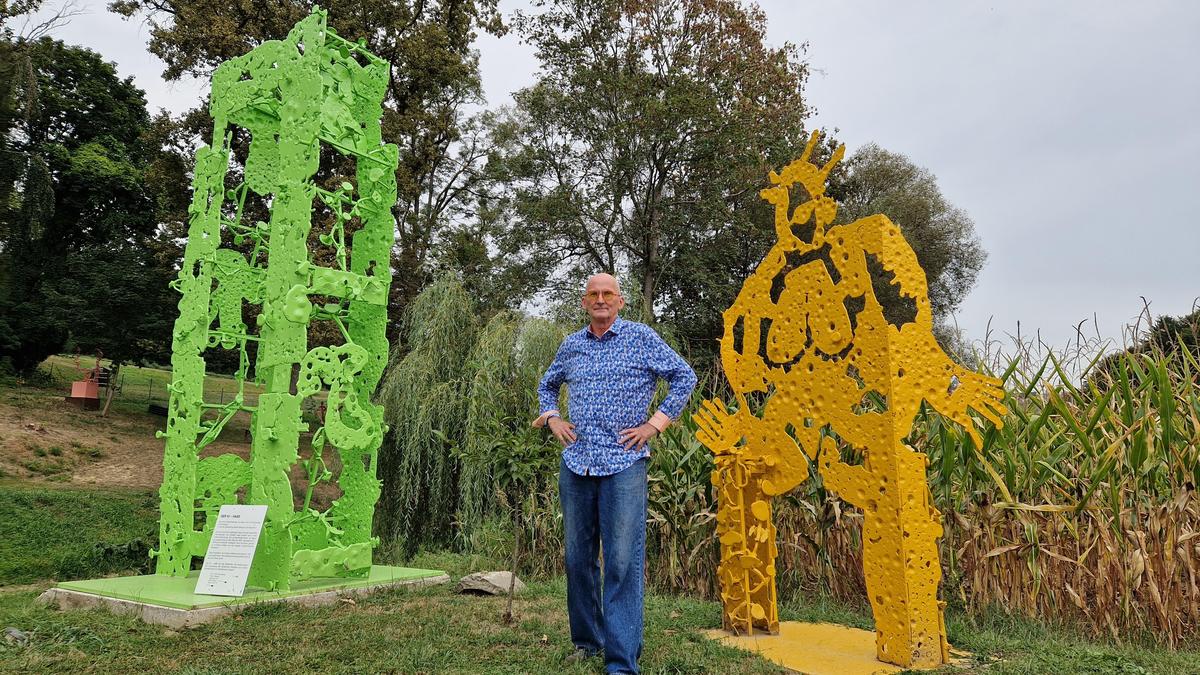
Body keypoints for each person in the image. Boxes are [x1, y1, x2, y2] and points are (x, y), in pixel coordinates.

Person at [534, 273, 697, 675]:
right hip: (577, 463)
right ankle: (587, 643)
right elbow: (546, 385)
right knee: (577, 560)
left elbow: (684, 376)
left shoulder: (640, 338)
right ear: (584, 302)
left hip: (624, 464)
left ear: (620, 301)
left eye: (608, 293)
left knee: (622, 563)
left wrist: (655, 425)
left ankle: (621, 661)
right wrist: (553, 417)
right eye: (594, 294)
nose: (601, 299)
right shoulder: (571, 345)